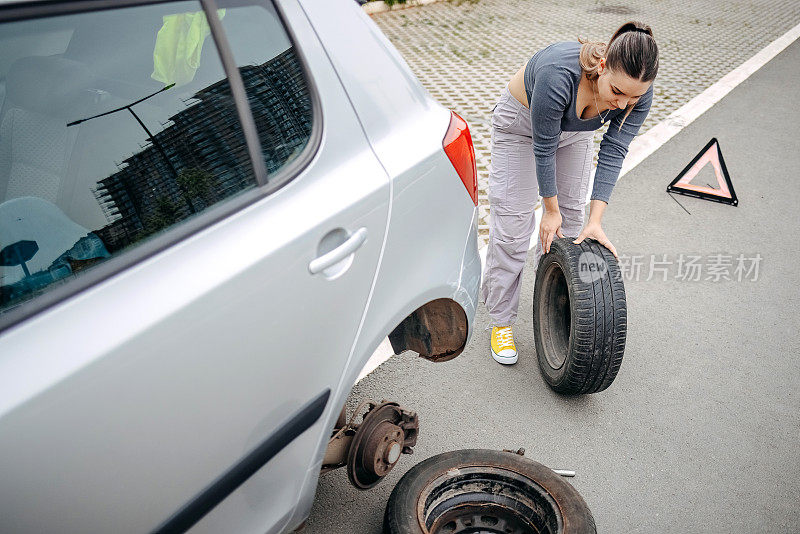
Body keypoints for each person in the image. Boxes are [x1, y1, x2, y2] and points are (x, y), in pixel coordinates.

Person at [481, 21, 659, 365]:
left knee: (574, 227)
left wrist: (597, 220)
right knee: (514, 228)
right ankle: (502, 321)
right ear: (602, 66)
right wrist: (549, 209)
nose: (624, 105)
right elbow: (543, 148)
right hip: (521, 127)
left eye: (634, 97)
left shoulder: (638, 92)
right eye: (618, 93)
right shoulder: (557, 73)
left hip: (574, 134)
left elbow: (615, 148)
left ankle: (553, 308)